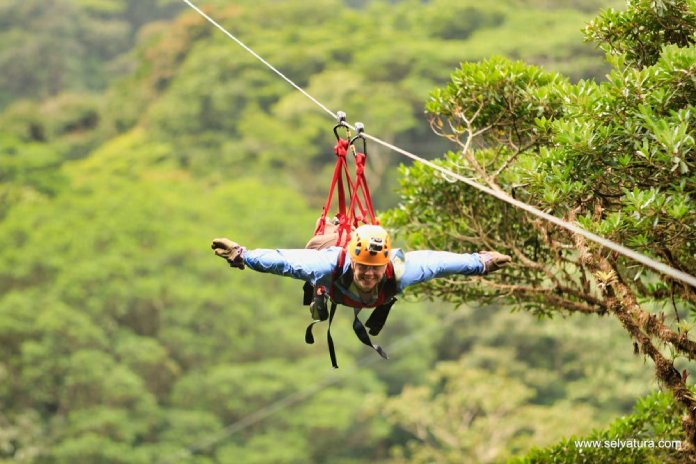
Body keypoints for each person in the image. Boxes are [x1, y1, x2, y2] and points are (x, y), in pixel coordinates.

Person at [211, 223, 511, 310]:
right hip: (334, 281)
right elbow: (285, 261)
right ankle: (333, 228)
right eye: (363, 268)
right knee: (313, 249)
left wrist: (480, 263)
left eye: (375, 269)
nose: (369, 274)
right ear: (352, 261)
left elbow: (438, 263)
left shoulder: (401, 269)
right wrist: (241, 255)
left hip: (358, 298)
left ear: (385, 265)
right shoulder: (329, 265)